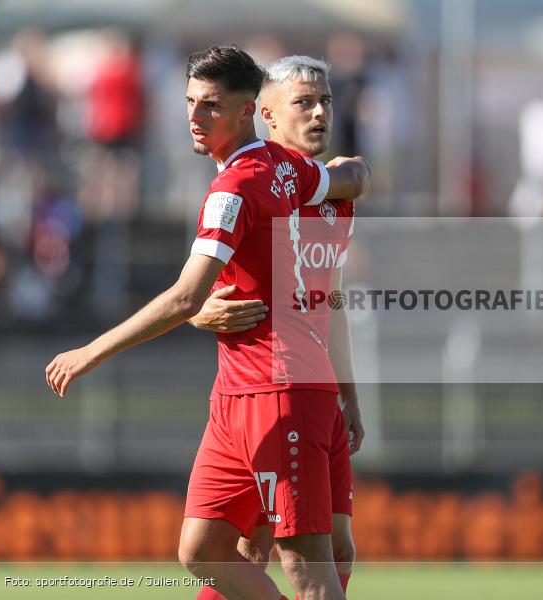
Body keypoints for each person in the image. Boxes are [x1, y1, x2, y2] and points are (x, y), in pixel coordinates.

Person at [45, 45, 369, 600]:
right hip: (239, 391)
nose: (195, 116)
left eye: (210, 105)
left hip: (277, 387)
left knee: (305, 563)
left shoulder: (234, 188)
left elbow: (184, 296)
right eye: (191, 102)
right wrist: (352, 174)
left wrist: (90, 351)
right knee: (204, 550)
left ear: (247, 112)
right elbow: (347, 177)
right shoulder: (286, 170)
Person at [191, 55, 363, 600]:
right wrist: (197, 312)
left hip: (313, 387)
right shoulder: (254, 184)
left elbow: (332, 300)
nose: (319, 114)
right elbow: (196, 287)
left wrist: (350, 394)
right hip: (268, 389)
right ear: (264, 114)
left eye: (325, 102)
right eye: (303, 103)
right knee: (256, 550)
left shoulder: (333, 197)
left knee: (337, 548)